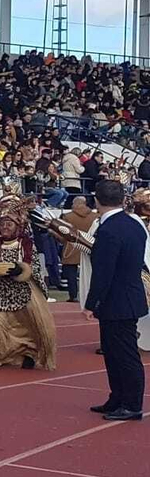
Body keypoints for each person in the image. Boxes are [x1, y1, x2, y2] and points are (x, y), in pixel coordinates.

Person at [83, 179, 147, 420]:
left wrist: (91, 303)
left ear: (96, 200)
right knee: (113, 352)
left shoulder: (109, 230)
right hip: (128, 296)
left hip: (116, 300)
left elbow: (104, 271)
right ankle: (118, 398)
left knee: (124, 355)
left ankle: (131, 404)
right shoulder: (134, 224)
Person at [0, 196, 56, 372]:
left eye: (9, 224)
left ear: (18, 226)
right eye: (2, 224)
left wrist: (22, 270)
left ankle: (28, 353)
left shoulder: (25, 245)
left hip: (22, 291)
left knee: (24, 326)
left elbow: (33, 268)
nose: (5, 227)